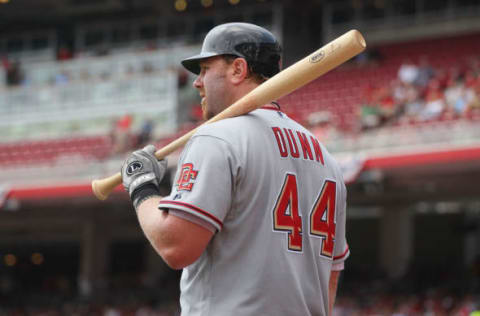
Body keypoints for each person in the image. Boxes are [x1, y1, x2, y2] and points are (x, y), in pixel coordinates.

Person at [121, 22, 349, 316]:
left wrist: (141, 186)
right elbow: (332, 272)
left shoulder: (216, 136)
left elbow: (176, 246)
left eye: (205, 69)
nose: (197, 82)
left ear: (238, 70)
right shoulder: (325, 156)